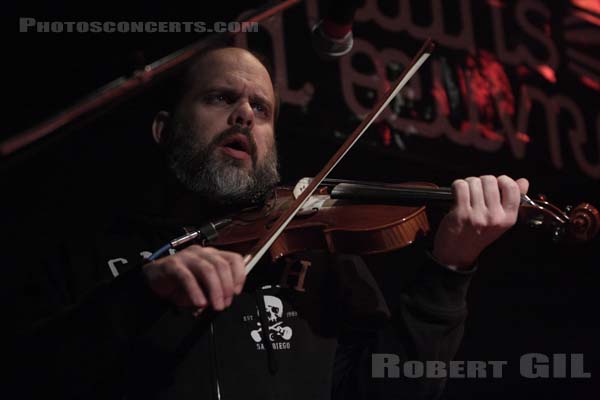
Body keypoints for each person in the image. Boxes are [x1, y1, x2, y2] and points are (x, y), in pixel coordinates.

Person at [10, 45, 528, 400]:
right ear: (164, 128)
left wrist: (450, 268)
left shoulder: (321, 256)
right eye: (220, 98)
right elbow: (32, 373)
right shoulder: (91, 249)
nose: (244, 116)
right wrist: (141, 294)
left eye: (262, 108)